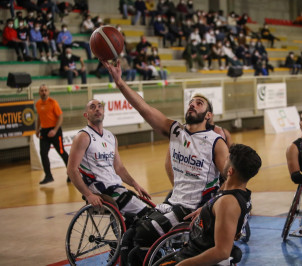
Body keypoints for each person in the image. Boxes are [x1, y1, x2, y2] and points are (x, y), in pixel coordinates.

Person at [102, 59, 230, 265]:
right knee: (127, 237)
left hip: (193, 208)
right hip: (173, 202)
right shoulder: (176, 131)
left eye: (199, 103)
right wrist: (119, 82)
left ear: (208, 115)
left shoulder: (216, 142)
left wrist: (209, 207)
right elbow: (143, 108)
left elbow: (230, 181)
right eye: (191, 102)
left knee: (143, 235)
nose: (192, 105)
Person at [156, 144, 261, 266]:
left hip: (195, 258)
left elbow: (222, 252)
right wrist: (207, 210)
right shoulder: (239, 193)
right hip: (194, 249)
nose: (224, 160)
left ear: (230, 171)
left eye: (227, 158)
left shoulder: (228, 203)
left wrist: (182, 265)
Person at [67, 99, 152, 217]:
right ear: (86, 115)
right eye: (92, 107)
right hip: (100, 190)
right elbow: (72, 170)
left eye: (99, 106)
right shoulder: (83, 137)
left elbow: (119, 167)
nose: (97, 109)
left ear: (103, 112)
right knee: (147, 214)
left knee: (144, 214)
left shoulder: (111, 137)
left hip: (116, 188)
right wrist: (88, 195)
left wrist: (135, 184)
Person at [35, 84, 70, 185]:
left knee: (62, 152)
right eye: (42, 90)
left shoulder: (53, 103)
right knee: (43, 154)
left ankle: (71, 174)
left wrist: (55, 130)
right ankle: (48, 176)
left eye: (45, 90)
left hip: (55, 131)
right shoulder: (38, 104)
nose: (44, 92)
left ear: (48, 92)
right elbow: (39, 117)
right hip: (44, 132)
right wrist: (37, 129)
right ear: (39, 92)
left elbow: (60, 117)